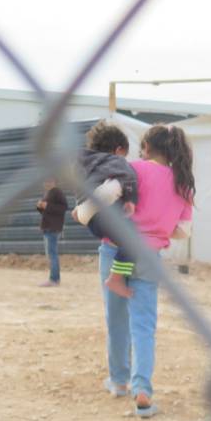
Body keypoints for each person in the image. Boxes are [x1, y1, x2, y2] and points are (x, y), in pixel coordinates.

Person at [100, 124, 194, 418]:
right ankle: (142, 389)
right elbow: (182, 231)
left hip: (115, 247)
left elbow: (106, 197)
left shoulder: (132, 169)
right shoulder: (183, 183)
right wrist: (159, 226)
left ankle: (118, 381)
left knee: (116, 318)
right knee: (143, 326)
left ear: (147, 148)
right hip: (149, 255)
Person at [73, 121, 139, 298]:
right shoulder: (116, 161)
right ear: (118, 150)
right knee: (133, 240)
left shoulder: (83, 162)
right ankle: (116, 279)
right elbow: (129, 177)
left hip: (91, 221)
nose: (124, 159)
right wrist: (131, 199)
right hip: (106, 214)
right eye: (124, 155)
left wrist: (79, 207)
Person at [34, 178, 68, 287]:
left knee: (52, 254)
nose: (45, 183)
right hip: (48, 227)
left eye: (48, 181)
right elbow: (47, 212)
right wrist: (40, 207)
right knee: (51, 254)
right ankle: (54, 278)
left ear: (53, 181)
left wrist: (47, 206)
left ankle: (54, 279)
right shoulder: (48, 193)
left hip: (53, 228)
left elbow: (63, 208)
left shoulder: (57, 192)